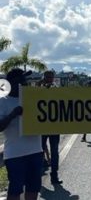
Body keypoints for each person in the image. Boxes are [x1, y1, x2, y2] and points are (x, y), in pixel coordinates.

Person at [0, 68, 43, 200]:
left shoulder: (33, 100)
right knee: (15, 190)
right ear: (11, 82)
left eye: (25, 80)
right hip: (14, 154)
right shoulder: (3, 101)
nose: (24, 82)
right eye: (21, 80)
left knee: (33, 187)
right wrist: (13, 114)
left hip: (36, 151)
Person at [37, 70, 62, 184]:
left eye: (51, 77)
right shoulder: (38, 87)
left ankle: (54, 175)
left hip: (54, 126)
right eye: (47, 77)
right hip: (41, 126)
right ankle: (38, 174)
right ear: (43, 77)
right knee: (40, 150)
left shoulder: (56, 88)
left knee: (55, 151)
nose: (49, 79)